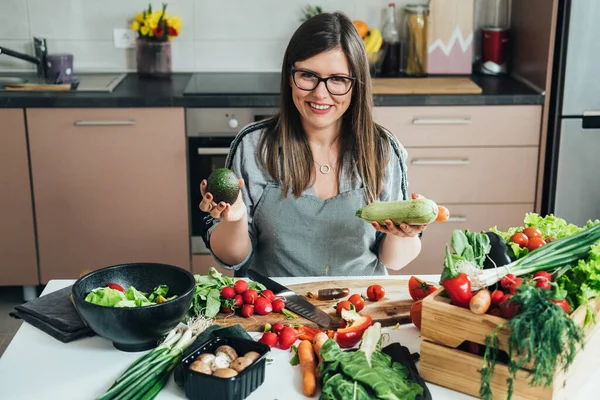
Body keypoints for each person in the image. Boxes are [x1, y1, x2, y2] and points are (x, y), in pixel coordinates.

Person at [199, 11, 428, 277]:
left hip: (359, 308)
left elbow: (393, 260)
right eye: (308, 75)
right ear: (289, 75)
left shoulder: (383, 150)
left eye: (338, 79)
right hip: (273, 310)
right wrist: (235, 219)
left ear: (357, 85)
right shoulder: (254, 146)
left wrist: (405, 233)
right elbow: (233, 259)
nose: (321, 94)